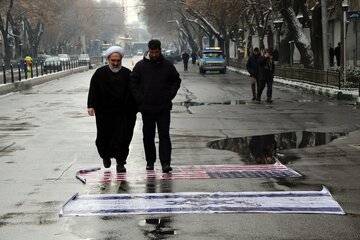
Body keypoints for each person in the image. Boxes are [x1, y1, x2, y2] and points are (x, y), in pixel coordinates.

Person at [130, 39, 181, 173]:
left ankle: (165, 163)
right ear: (149, 51)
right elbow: (133, 82)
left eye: (156, 52)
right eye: (152, 52)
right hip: (146, 108)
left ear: (160, 51)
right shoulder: (140, 66)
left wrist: (170, 94)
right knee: (148, 135)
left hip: (163, 107)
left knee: (164, 135)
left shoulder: (168, 65)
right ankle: (150, 161)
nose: (154, 55)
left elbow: (176, 80)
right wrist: (140, 98)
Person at [87, 46, 137, 173]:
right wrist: (91, 105)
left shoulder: (127, 74)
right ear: (108, 59)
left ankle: (120, 162)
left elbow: (134, 92)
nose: (115, 63)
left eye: (118, 61)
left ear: (121, 60)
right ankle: (106, 156)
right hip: (104, 112)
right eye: (113, 60)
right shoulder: (99, 73)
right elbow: (94, 89)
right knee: (103, 137)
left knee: (123, 137)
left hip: (123, 113)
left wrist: (135, 108)